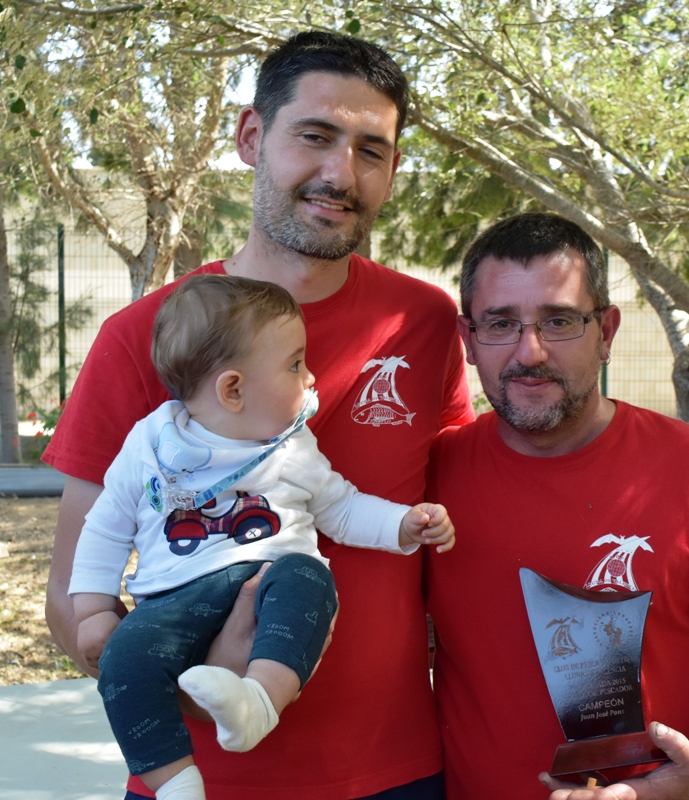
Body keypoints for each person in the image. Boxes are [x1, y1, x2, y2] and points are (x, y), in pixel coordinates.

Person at [43, 31, 474, 800]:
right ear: (251, 137)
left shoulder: (426, 323)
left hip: (397, 770)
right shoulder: (144, 337)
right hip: (206, 781)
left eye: (371, 150)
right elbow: (74, 599)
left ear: (392, 169)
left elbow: (446, 528)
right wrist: (198, 674)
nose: (340, 173)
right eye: (315, 136)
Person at [424, 212, 689, 800]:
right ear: (468, 340)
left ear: (606, 332)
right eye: (501, 324)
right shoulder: (430, 478)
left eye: (559, 321)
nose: (529, 351)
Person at [71, 275, 456, 800]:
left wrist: (403, 524)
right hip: (172, 599)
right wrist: (93, 608)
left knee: (308, 577)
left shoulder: (291, 447)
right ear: (233, 389)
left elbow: (341, 507)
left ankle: (259, 700)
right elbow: (106, 524)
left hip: (274, 577)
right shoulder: (150, 444)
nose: (311, 376)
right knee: (124, 658)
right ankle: (174, 781)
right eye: (295, 365)